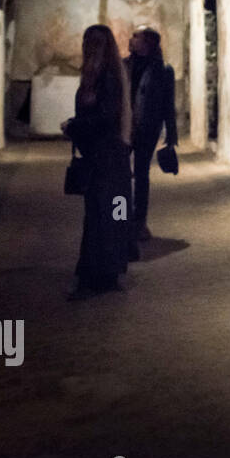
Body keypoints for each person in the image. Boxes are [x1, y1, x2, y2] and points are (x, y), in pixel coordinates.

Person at [61, 24, 133, 298]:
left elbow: (106, 119)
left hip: (108, 159)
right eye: (87, 42)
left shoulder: (108, 78)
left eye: (95, 43)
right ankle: (102, 271)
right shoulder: (96, 75)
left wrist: (74, 125)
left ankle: (99, 273)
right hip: (100, 158)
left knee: (106, 214)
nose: (90, 48)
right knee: (100, 214)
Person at [124, 25, 178, 243]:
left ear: (148, 42)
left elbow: (168, 104)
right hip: (123, 128)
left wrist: (171, 133)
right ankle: (120, 219)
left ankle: (139, 222)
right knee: (120, 177)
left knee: (141, 174)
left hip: (147, 129)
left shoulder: (162, 70)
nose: (131, 39)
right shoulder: (124, 66)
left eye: (136, 36)